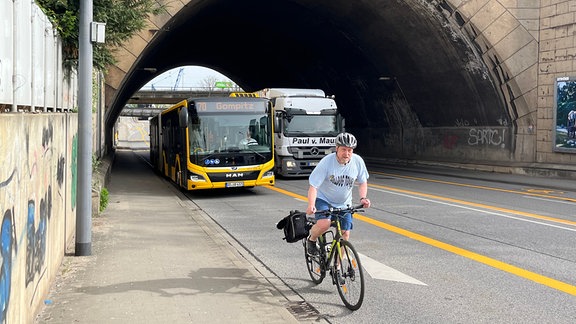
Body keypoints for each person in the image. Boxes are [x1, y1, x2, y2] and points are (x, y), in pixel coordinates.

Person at [305, 132, 371, 255]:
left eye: (350, 150)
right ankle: (311, 240)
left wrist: (363, 198)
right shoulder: (327, 162)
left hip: (344, 203)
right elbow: (314, 186)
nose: (347, 154)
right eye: (343, 150)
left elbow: (362, 182)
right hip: (324, 199)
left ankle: (337, 267)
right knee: (324, 224)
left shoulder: (357, 161)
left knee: (345, 234)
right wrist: (311, 205)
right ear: (336, 148)